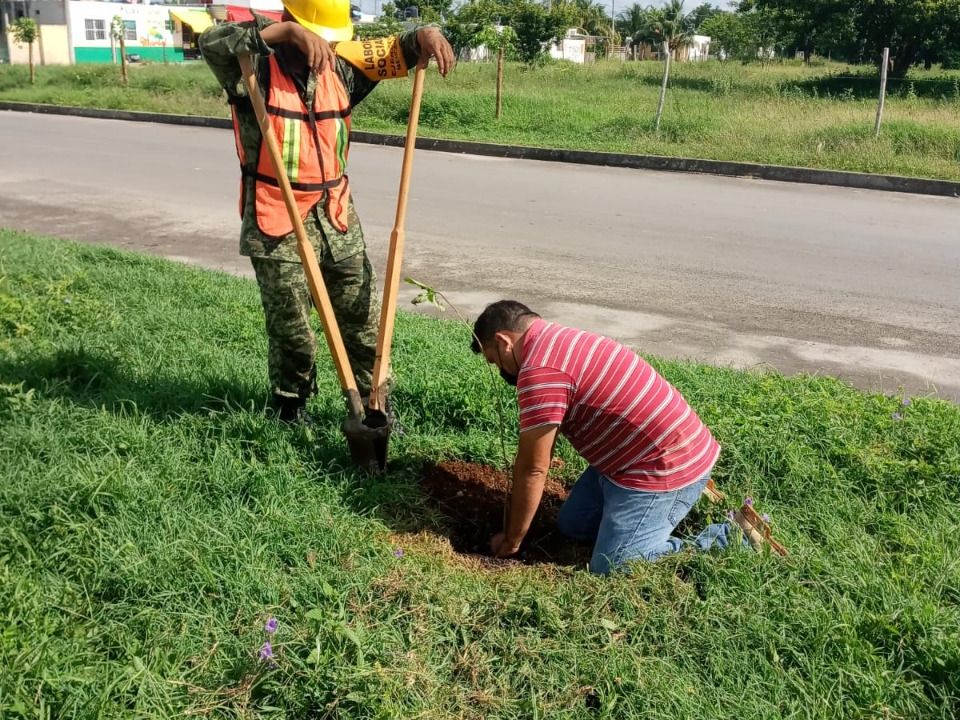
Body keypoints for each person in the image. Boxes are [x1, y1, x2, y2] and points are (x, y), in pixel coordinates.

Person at [199, 0, 454, 422]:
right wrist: (284, 34)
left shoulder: (340, 69)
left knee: (363, 317)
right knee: (292, 329)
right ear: (293, 25)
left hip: (335, 215)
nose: (328, 47)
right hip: (276, 216)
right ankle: (290, 407)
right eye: (318, 36)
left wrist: (423, 34)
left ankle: (376, 409)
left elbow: (394, 51)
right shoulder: (252, 68)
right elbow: (210, 42)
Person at [472, 300, 736, 575]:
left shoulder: (540, 372)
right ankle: (651, 514)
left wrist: (513, 540)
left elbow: (533, 468)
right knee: (573, 525)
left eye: (494, 360)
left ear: (504, 342)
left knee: (612, 565)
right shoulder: (558, 339)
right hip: (629, 460)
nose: (500, 370)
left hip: (663, 466)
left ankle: (729, 537)